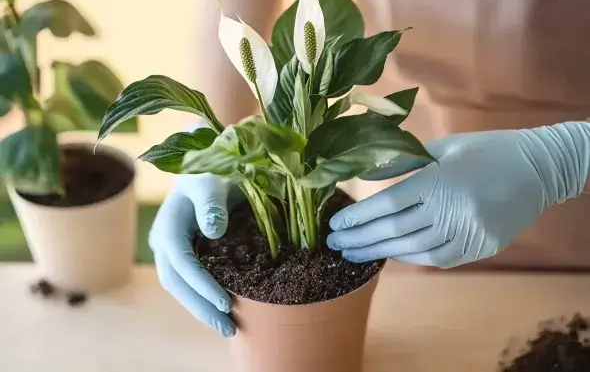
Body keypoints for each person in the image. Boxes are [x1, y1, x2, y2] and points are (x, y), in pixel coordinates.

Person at [149, 120, 590, 338]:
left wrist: (566, 157)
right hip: (409, 206)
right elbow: (233, 31)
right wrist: (208, 151)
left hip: (575, 249)